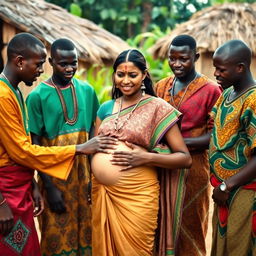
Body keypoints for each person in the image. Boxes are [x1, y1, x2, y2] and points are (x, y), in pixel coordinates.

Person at [0, 33, 117, 256]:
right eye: (39, 64)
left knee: (26, 248)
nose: (41, 70)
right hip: (10, 192)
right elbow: (24, 149)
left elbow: (18, 146)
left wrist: (31, 184)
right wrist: (79, 148)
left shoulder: (13, 91)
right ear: (20, 61)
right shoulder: (5, 95)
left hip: (24, 187)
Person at [91, 49, 192, 256]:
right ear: (114, 75)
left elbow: (184, 158)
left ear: (144, 75)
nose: (125, 81)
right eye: (120, 74)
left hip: (138, 196)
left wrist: (145, 157)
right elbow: (94, 148)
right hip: (103, 193)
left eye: (132, 75)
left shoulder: (158, 108)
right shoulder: (105, 109)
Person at [26, 38, 98, 256]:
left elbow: (94, 132)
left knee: (88, 236)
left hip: (85, 176)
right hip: (55, 179)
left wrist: (93, 178)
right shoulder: (37, 96)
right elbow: (35, 144)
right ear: (51, 61)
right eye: (62, 63)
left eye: (73, 63)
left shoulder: (87, 90)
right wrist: (49, 187)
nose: (69, 68)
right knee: (55, 238)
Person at [155, 34, 222, 256]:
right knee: (162, 221)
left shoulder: (211, 90)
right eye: (171, 58)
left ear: (196, 57)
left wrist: (178, 144)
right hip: (162, 167)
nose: (176, 64)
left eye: (183, 58)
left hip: (194, 169)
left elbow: (216, 135)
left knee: (192, 224)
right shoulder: (161, 86)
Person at [210, 40, 256, 256]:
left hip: (245, 193)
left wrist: (226, 186)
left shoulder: (253, 100)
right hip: (224, 193)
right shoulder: (226, 95)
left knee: (241, 247)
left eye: (221, 69)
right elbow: (214, 136)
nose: (216, 73)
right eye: (215, 67)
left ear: (240, 68)